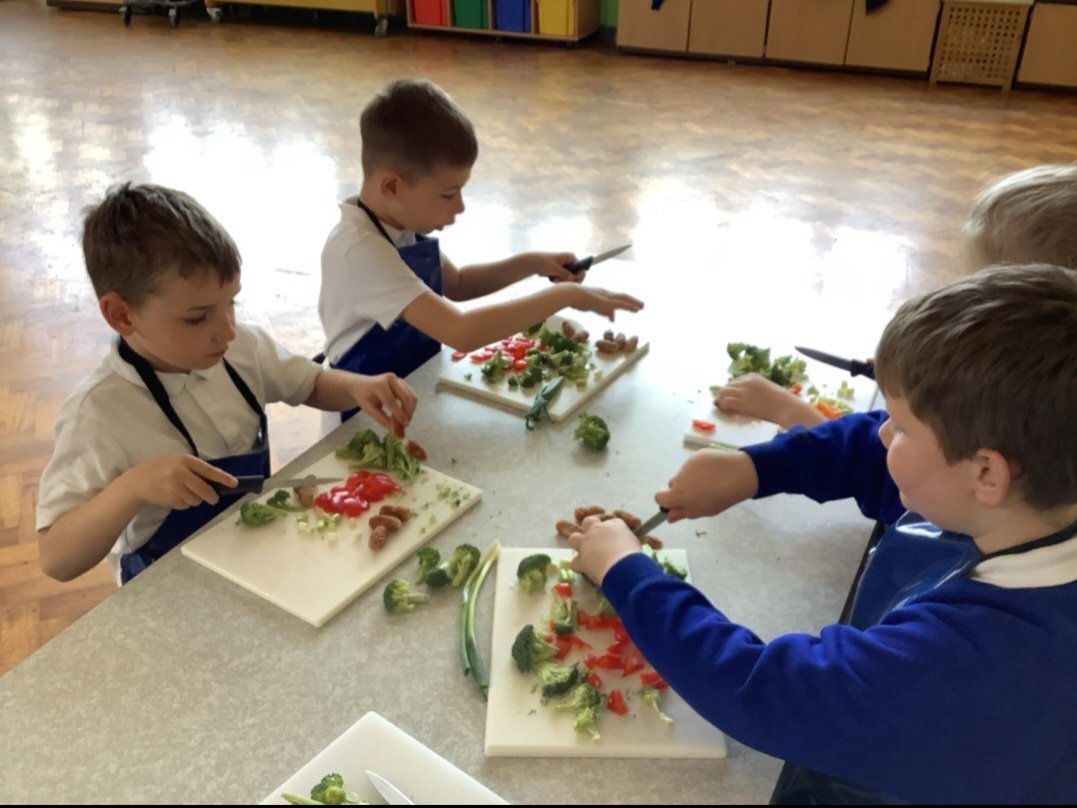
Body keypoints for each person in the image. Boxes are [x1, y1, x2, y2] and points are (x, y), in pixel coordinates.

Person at [568, 263, 1077, 804]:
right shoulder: (1026, 500)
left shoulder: (981, 666)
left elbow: (762, 690)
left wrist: (625, 571)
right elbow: (867, 451)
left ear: (987, 473)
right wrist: (757, 470)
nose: (881, 431)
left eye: (901, 425)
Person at [36, 183, 418, 586]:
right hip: (168, 587)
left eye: (231, 303)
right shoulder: (97, 415)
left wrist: (358, 387)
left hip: (258, 552)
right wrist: (133, 487)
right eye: (198, 318)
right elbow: (56, 558)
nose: (227, 331)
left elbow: (309, 384)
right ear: (121, 315)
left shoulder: (241, 348)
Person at [318, 78, 643, 415]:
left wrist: (531, 263)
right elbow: (461, 331)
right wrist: (566, 296)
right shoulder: (360, 251)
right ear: (392, 186)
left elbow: (456, 283)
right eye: (448, 194)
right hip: (361, 415)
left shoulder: (396, 222)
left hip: (411, 390)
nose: (459, 207)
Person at [716, 163, 1077, 432]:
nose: (962, 300)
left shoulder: (1012, 419)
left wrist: (796, 416)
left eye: (978, 290)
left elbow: (904, 481)